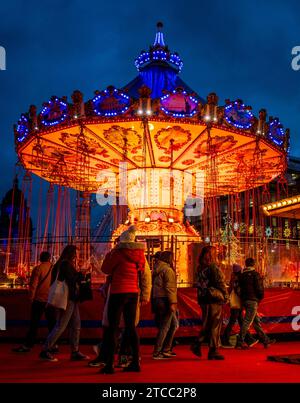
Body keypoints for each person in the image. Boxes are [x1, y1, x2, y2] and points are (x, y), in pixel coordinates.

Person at [99, 225, 146, 374]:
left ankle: (109, 364)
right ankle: (135, 362)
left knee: (113, 328)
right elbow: (142, 271)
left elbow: (105, 269)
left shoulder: (118, 254)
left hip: (118, 291)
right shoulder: (140, 255)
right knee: (131, 328)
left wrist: (109, 255)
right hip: (133, 292)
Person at [39, 245, 89, 362]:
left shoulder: (61, 264)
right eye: (75, 253)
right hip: (68, 298)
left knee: (76, 325)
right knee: (62, 325)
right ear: (71, 253)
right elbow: (72, 279)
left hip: (71, 298)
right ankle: (46, 349)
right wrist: (82, 273)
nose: (76, 256)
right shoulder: (66, 264)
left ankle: (75, 351)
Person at [12, 251, 57, 353]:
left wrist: (31, 298)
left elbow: (33, 286)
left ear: (40, 258)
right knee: (52, 323)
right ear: (49, 258)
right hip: (50, 299)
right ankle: (53, 344)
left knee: (34, 323)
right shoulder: (54, 269)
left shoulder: (38, 269)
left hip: (39, 299)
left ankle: (28, 345)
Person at [191, 246, 228, 360]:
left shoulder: (200, 268)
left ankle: (202, 344)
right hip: (214, 297)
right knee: (215, 324)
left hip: (203, 298)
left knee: (208, 323)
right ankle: (211, 349)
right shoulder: (213, 267)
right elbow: (219, 282)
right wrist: (225, 295)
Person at [236, 257, 275, 349]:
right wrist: (259, 297)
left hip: (245, 300)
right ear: (253, 264)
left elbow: (238, 288)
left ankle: (265, 340)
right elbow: (259, 288)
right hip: (253, 300)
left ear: (246, 264)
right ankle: (240, 342)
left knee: (255, 321)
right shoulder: (255, 274)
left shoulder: (242, 275)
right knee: (247, 321)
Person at [221, 264, 258, 348]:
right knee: (234, 321)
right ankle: (225, 339)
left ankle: (248, 339)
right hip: (236, 302)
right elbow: (238, 291)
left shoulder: (234, 278)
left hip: (235, 302)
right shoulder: (237, 279)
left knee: (240, 321)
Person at [152, 251, 179, 359]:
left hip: (158, 299)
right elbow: (170, 288)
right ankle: (158, 351)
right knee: (166, 326)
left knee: (172, 325)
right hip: (165, 300)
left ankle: (166, 348)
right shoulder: (168, 270)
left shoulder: (157, 269)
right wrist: (173, 302)